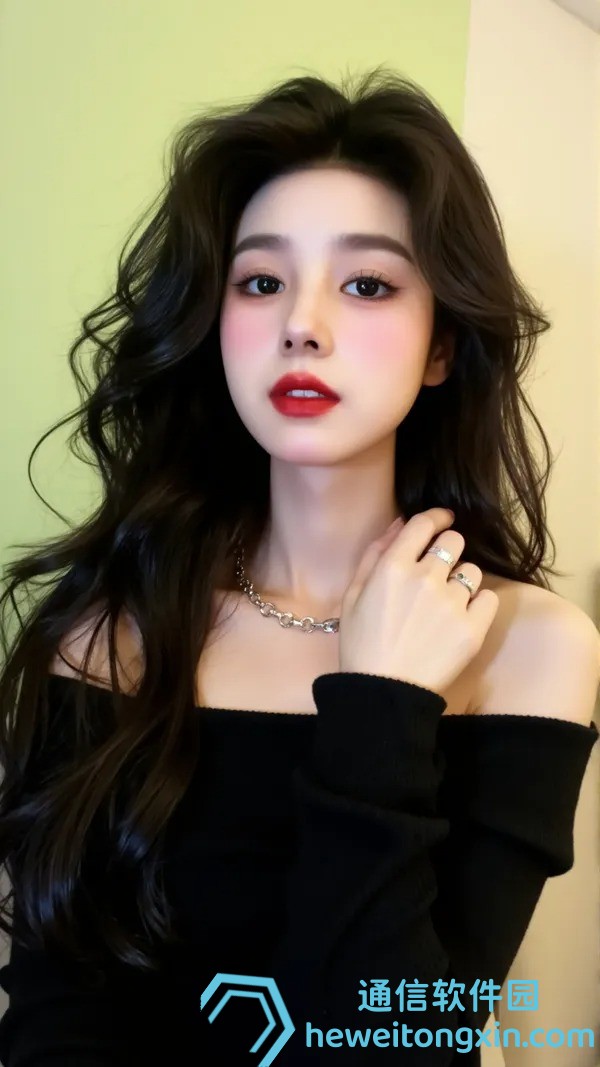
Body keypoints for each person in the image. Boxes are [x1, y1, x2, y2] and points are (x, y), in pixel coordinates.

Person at [0, 66, 597, 1066]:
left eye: (367, 283)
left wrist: (384, 705)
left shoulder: (532, 650)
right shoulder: (109, 634)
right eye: (260, 281)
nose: (301, 323)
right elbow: (56, 1028)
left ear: (442, 345)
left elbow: (396, 1042)